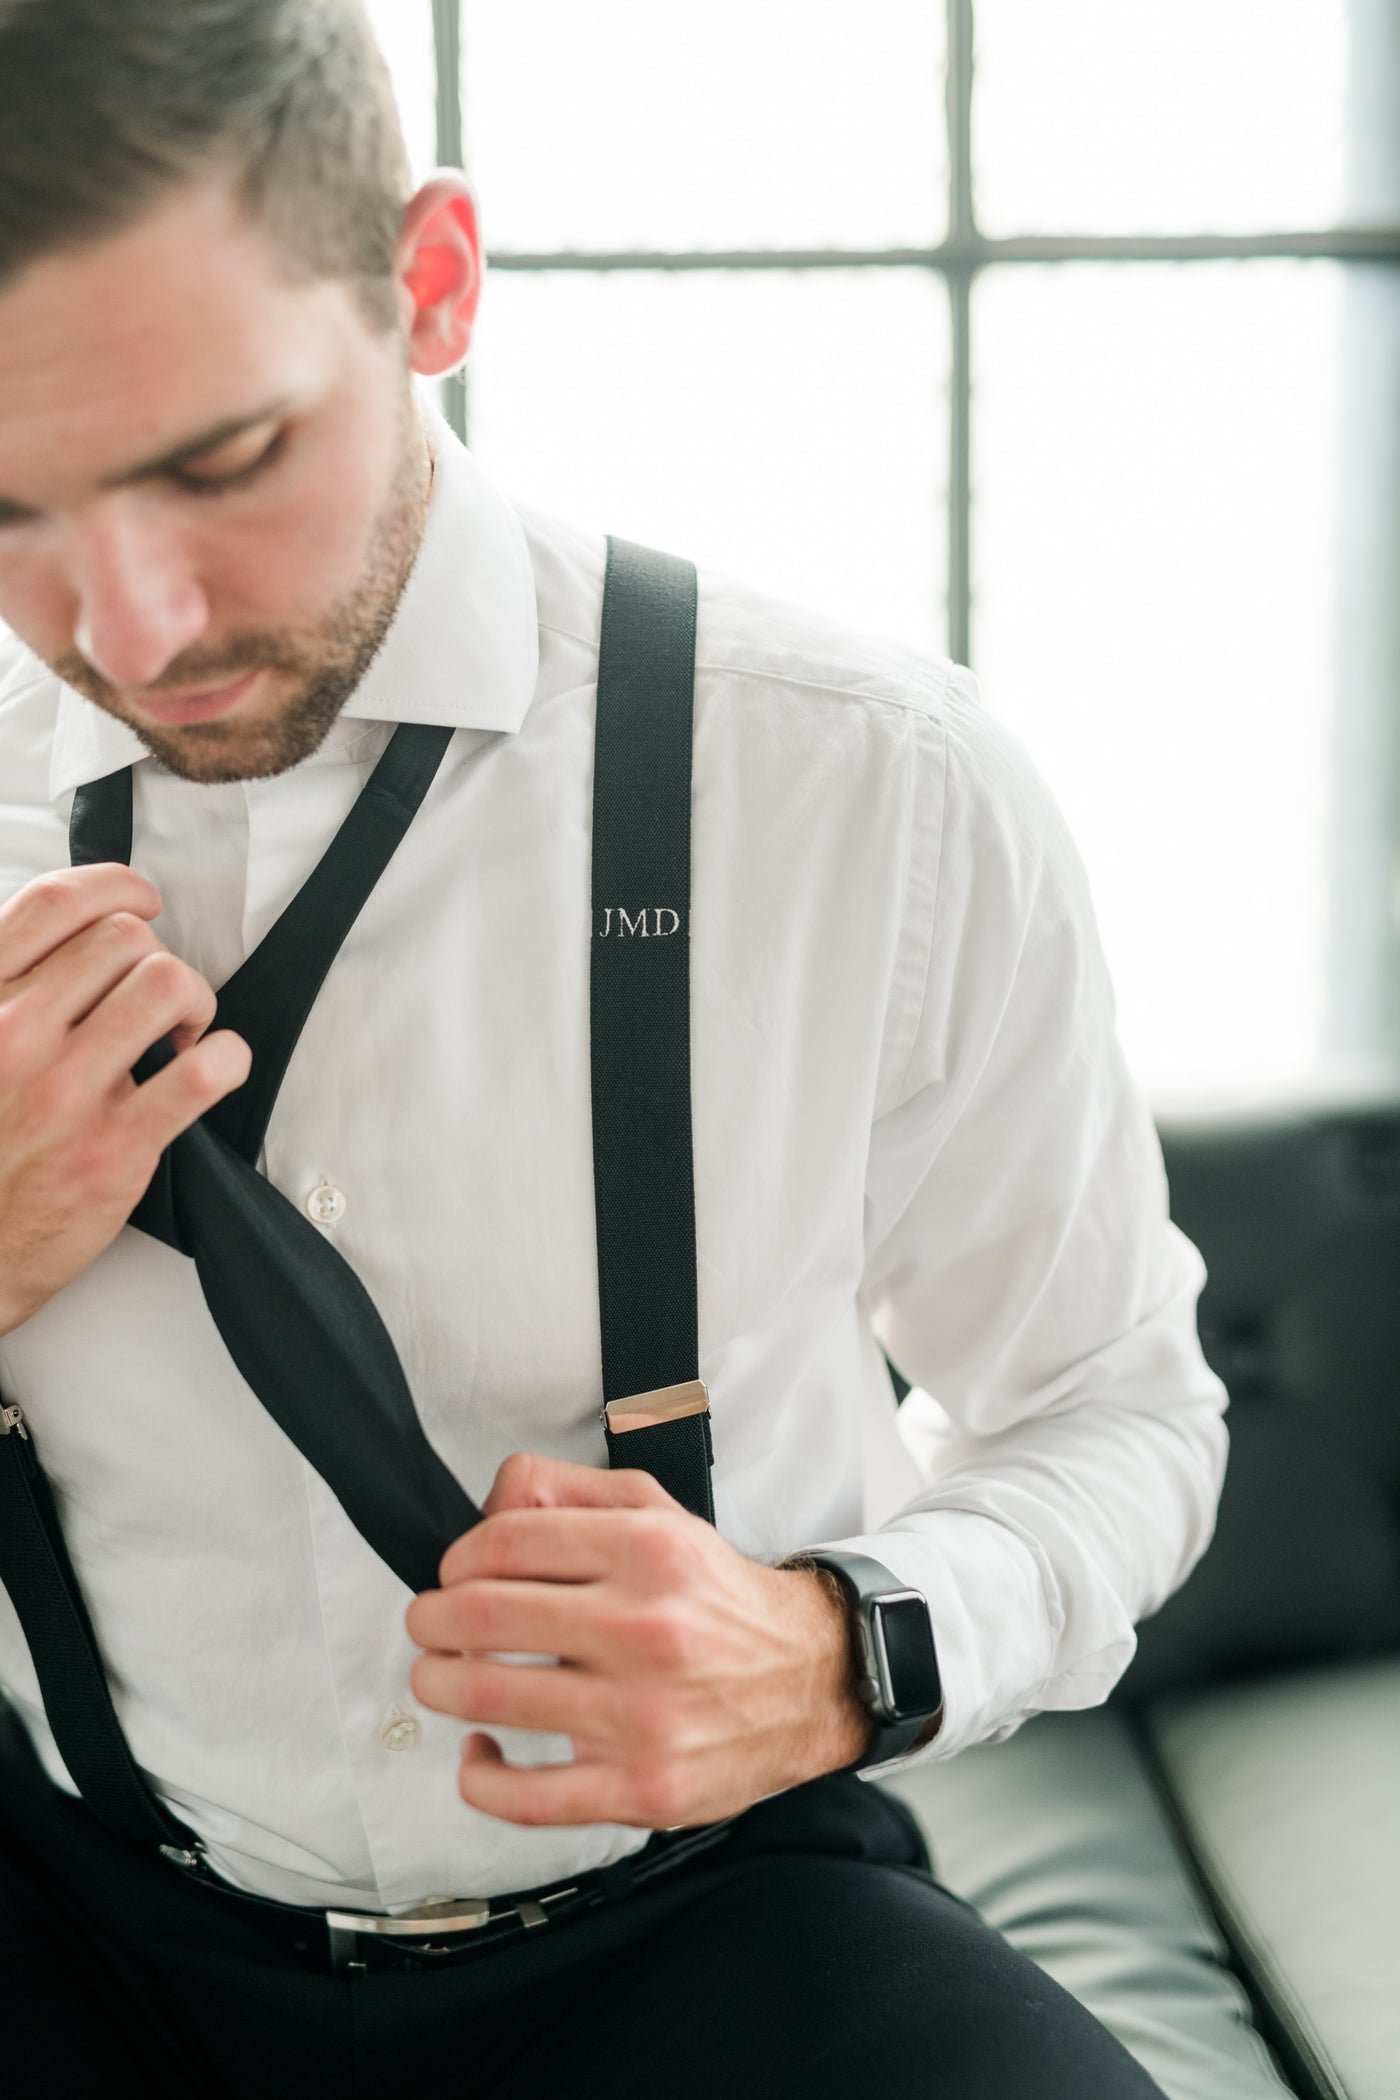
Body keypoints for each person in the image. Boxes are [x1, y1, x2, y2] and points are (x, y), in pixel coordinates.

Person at [0, 4, 1226, 2095]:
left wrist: (849, 1651)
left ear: (433, 282)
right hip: (74, 1918)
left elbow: (1120, 1416)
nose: (130, 630)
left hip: (708, 1933)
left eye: (221, 464)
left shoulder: (872, 785)